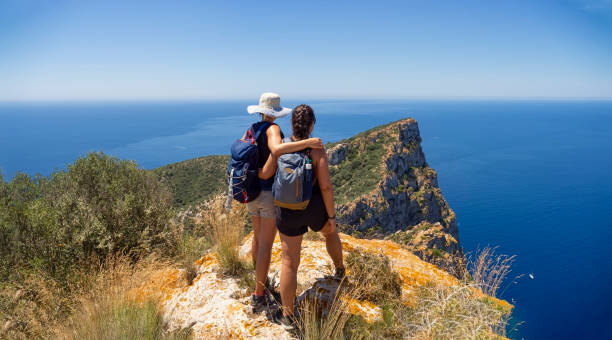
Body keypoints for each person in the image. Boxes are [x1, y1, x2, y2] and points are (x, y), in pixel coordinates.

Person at [245, 93, 324, 314]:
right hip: (267, 193)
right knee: (266, 247)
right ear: (275, 113)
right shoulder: (273, 130)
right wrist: (308, 142)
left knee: (257, 238)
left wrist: (258, 173)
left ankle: (260, 282)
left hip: (251, 193)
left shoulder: (251, 128)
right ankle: (258, 294)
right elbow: (277, 151)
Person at [271, 104, 345, 330]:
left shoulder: (282, 146)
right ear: (312, 125)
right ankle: (340, 270)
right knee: (330, 233)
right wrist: (330, 216)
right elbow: (325, 187)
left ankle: (287, 316)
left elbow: (270, 174)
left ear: (292, 124)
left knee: (289, 262)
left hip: (286, 211)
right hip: (312, 208)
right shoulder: (316, 149)